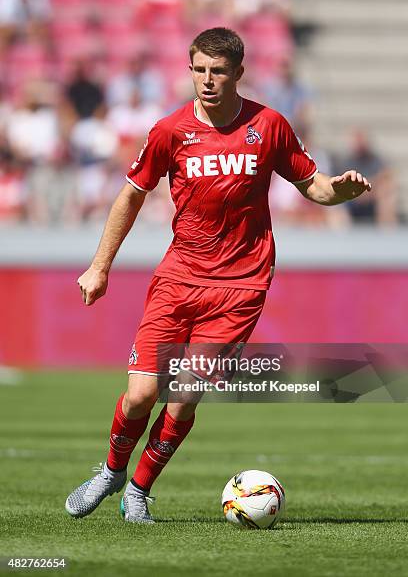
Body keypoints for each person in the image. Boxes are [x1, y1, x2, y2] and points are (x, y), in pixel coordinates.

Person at [65, 27, 371, 523]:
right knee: (142, 393)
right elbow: (131, 195)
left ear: (238, 74)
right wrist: (99, 266)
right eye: (200, 70)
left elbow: (313, 185)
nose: (207, 80)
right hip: (179, 276)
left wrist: (340, 191)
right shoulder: (169, 131)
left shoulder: (269, 126)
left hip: (241, 285)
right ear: (190, 70)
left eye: (219, 71)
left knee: (183, 399)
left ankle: (139, 490)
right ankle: (111, 470)